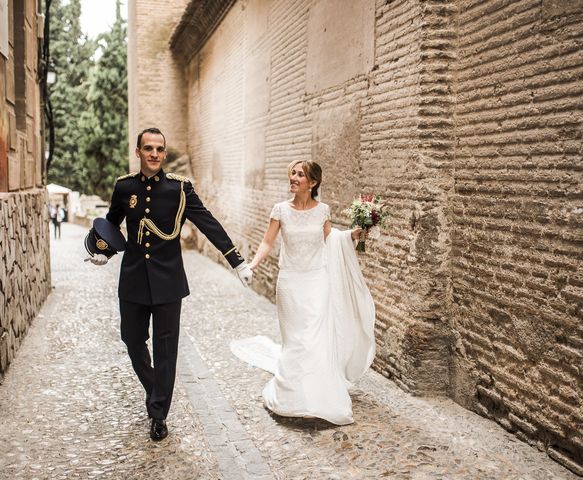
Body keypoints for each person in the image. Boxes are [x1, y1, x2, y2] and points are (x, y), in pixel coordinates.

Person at [87, 127, 253, 441]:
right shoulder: (125, 187)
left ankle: (158, 413)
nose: (154, 154)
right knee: (132, 341)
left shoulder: (180, 189)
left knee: (165, 349)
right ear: (138, 152)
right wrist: (102, 252)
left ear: (164, 154)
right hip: (133, 278)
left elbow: (207, 222)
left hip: (168, 281)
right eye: (148, 148)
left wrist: (237, 261)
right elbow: (112, 222)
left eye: (159, 149)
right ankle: (156, 390)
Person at [233, 160, 376, 425]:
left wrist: (354, 235)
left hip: (316, 282)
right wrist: (251, 264)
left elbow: (330, 239)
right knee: (296, 340)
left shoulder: (323, 210)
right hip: (289, 282)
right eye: (293, 173)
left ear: (312, 183)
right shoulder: (280, 210)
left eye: (300, 175)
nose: (294, 177)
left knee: (313, 338)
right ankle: (292, 395)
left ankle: (315, 395)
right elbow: (267, 241)